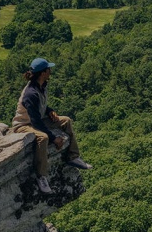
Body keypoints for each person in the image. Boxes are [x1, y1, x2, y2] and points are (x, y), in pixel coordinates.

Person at [12, 58, 92, 194]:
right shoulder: (30, 94)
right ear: (43, 73)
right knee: (42, 138)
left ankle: (73, 157)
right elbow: (36, 121)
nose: (50, 71)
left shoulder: (41, 85)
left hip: (38, 119)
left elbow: (41, 106)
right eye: (48, 69)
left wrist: (49, 111)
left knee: (66, 120)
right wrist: (53, 137)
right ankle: (41, 176)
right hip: (23, 124)